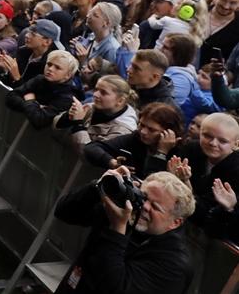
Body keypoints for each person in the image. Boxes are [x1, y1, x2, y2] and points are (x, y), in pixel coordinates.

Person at [51, 168, 195, 294]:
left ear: (175, 222)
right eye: (143, 197)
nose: (144, 206)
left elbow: (114, 287)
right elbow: (64, 213)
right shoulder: (125, 212)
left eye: (155, 207)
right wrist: (96, 188)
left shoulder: (175, 266)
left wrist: (117, 229)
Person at [84, 102, 184, 178]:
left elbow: (150, 180)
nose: (143, 132)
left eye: (152, 130)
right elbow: (91, 148)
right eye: (142, 125)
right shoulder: (136, 139)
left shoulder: (179, 154)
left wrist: (161, 153)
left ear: (168, 132)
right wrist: (112, 163)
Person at [54, 74, 139, 157]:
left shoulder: (123, 131)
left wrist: (78, 124)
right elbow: (56, 127)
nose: (96, 95)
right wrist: (69, 115)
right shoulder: (92, 108)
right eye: (96, 89)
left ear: (120, 101)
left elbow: (91, 155)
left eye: (103, 93)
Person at [4, 50, 84, 130]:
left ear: (68, 75)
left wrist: (31, 100)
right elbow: (10, 97)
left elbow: (38, 120)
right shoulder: (40, 79)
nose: (50, 69)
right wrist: (36, 107)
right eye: (49, 64)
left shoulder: (68, 98)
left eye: (58, 68)